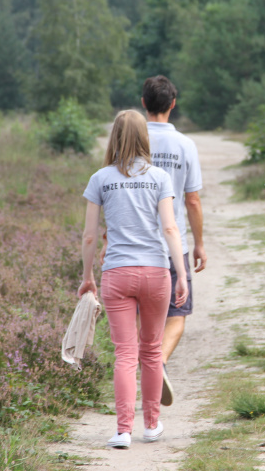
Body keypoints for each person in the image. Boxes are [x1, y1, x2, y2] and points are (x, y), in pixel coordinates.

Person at [78, 110, 188, 449]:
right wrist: (180, 273)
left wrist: (87, 278)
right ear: (144, 137)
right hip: (156, 272)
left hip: (117, 273)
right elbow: (170, 227)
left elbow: (89, 236)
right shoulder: (159, 177)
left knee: (125, 353)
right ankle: (152, 425)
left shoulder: (100, 178)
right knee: (152, 351)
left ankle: (123, 431)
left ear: (114, 136)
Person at [140, 75, 207, 406]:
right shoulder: (185, 145)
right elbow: (192, 200)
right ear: (173, 104)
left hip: (135, 245)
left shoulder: (130, 142)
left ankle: (144, 363)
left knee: (141, 316)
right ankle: (158, 362)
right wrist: (199, 243)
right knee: (177, 317)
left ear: (143, 104)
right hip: (172, 247)